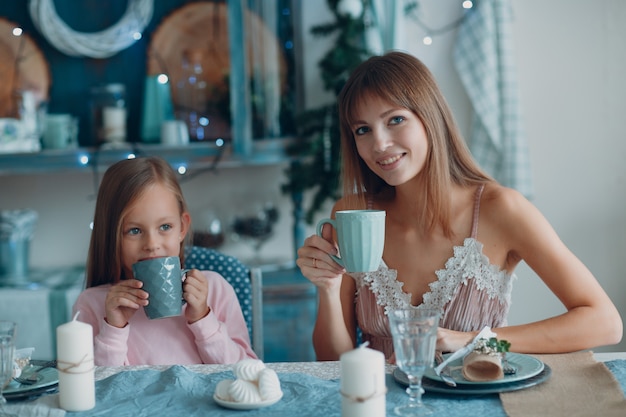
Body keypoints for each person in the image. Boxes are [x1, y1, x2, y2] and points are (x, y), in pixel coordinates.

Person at [297, 51, 622, 361]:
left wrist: (471, 341)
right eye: (362, 130)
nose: (379, 144)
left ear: (430, 118)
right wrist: (328, 287)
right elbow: (331, 361)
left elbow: (604, 323)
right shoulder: (353, 214)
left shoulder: (501, 209)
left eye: (395, 119)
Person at [73, 156, 257, 365]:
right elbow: (95, 392)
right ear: (111, 236)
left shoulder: (214, 290)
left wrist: (203, 319)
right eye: (134, 230)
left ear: (182, 227)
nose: (152, 243)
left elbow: (247, 372)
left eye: (165, 227)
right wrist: (114, 329)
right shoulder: (93, 305)